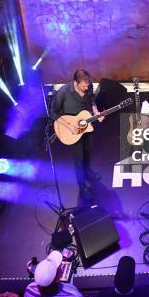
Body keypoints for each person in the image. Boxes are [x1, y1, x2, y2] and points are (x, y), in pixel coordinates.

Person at [50, 69, 104, 201]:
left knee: (87, 152)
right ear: (76, 82)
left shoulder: (88, 87)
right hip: (72, 130)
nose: (87, 88)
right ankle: (82, 187)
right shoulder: (64, 92)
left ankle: (88, 172)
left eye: (88, 85)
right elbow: (53, 112)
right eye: (84, 86)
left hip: (87, 126)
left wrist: (96, 112)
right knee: (78, 160)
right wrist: (69, 125)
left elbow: (92, 102)